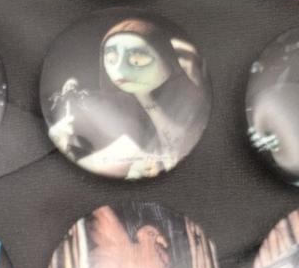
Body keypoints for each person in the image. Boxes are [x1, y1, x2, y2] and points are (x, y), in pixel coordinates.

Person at [48, 18, 208, 179]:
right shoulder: (125, 109)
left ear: (169, 59)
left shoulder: (193, 106)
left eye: (137, 60)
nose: (118, 70)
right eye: (111, 59)